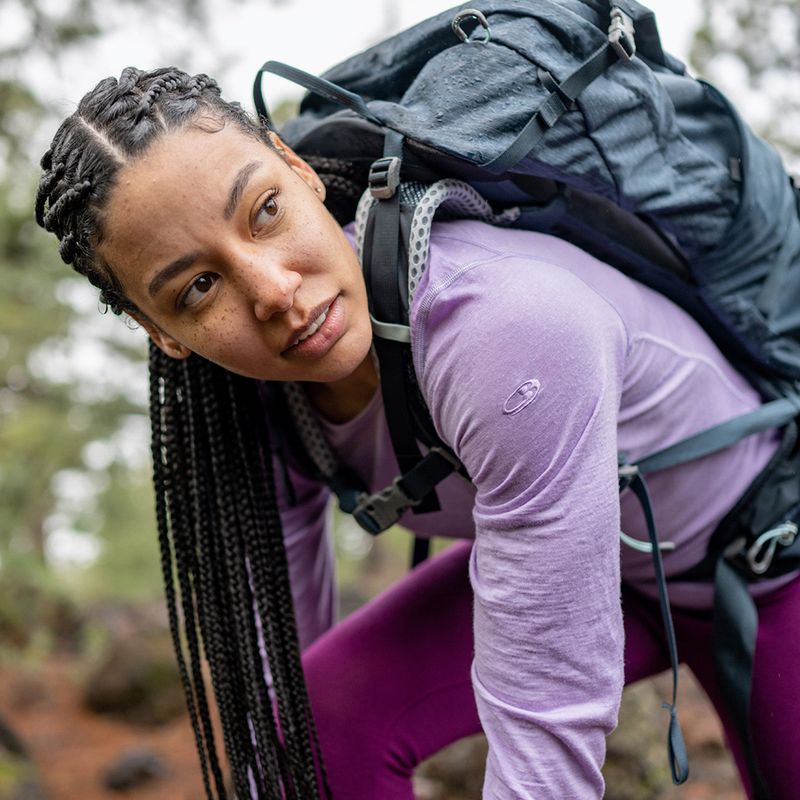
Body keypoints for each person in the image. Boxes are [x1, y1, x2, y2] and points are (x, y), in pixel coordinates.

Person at [34, 66, 800, 800]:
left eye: (263, 210)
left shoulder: (504, 323)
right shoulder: (249, 409)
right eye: (199, 288)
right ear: (159, 332)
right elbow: (282, 680)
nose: (274, 291)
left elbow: (546, 724)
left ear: (296, 169)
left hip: (765, 562)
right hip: (602, 571)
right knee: (317, 724)